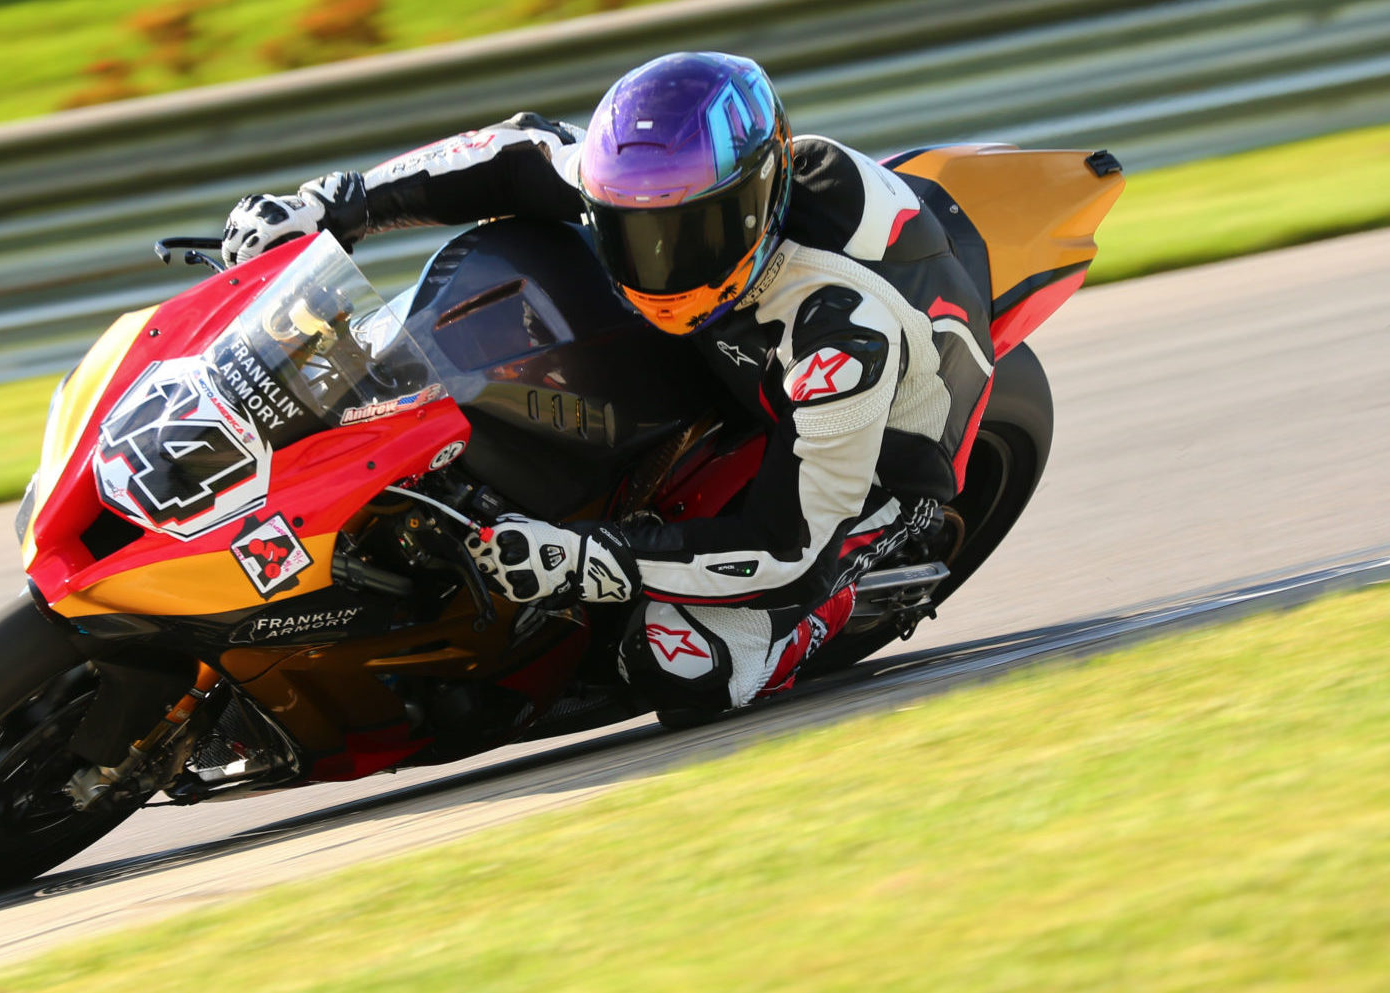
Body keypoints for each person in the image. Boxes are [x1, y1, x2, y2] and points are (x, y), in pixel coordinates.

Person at [219, 51, 991, 719]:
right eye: (631, 229)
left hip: (880, 454)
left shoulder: (838, 330)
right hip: (734, 343)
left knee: (680, 665)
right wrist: (330, 205)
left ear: (759, 202)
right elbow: (515, 152)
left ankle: (821, 615)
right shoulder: (649, 186)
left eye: (688, 234)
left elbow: (784, 541)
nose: (657, 259)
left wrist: (594, 556)